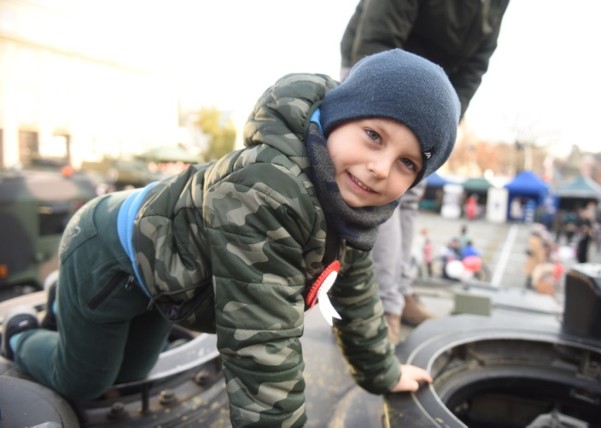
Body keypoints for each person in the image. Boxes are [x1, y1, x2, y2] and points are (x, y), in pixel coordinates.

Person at [1, 49, 460, 427]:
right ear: (338, 118)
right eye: (374, 136)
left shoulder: (349, 208)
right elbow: (261, 342)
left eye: (407, 164)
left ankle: (68, 302)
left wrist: (383, 372)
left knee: (133, 372)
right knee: (83, 380)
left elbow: (356, 297)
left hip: (166, 274)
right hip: (109, 256)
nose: (381, 167)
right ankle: (20, 335)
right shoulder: (267, 189)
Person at [340, 0, 510, 343]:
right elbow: (377, 34)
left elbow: (477, 63)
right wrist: (373, 109)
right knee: (378, 190)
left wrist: (447, 118)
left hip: (435, 92)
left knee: (410, 194)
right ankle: (379, 307)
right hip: (377, 70)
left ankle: (399, 294)